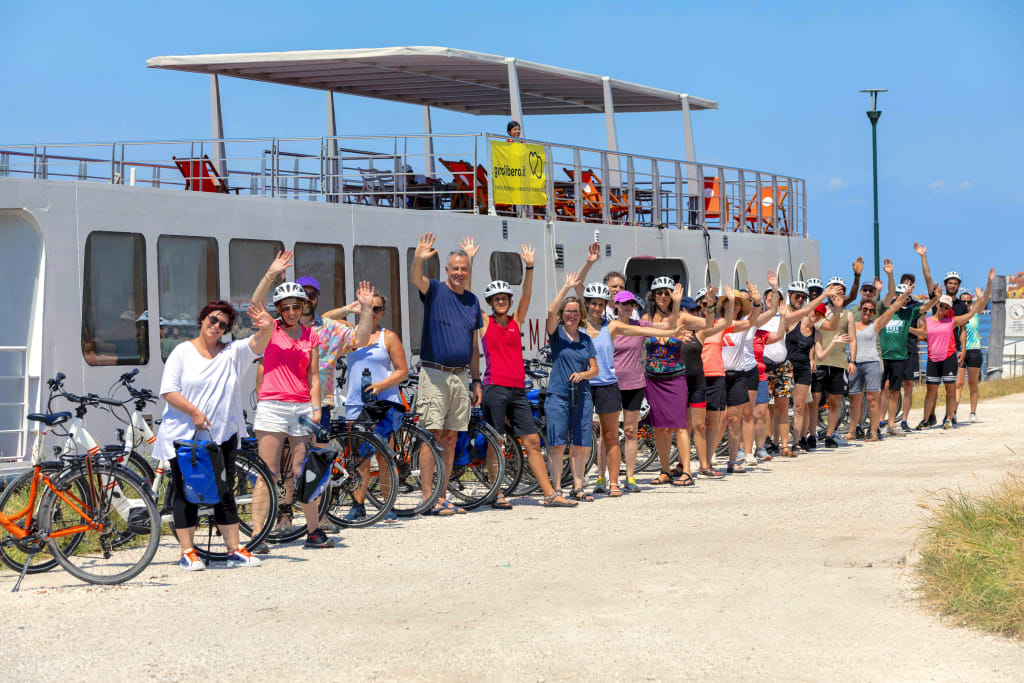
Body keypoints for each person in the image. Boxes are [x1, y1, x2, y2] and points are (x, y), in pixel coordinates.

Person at [155, 300, 274, 570]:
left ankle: (234, 549)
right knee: (186, 492)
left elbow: (258, 343)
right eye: (212, 319)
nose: (216, 326)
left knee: (224, 490)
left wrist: (267, 327)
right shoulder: (182, 352)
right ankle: (188, 551)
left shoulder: (233, 353)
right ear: (203, 319)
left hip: (222, 435)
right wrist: (194, 412)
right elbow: (169, 390)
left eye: (223, 324)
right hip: (185, 435)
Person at [478, 244, 575, 508]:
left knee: (532, 440)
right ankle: (497, 494)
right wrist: (473, 261)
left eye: (505, 298)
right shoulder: (485, 323)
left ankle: (549, 494)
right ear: (490, 302)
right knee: (496, 442)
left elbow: (528, 294)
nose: (502, 301)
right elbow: (469, 301)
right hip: (494, 387)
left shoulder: (515, 321)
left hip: (517, 389)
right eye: (497, 298)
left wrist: (529, 267)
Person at [250, 280, 336, 550]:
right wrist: (271, 274)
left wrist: (317, 407)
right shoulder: (270, 328)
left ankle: (313, 531)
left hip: (301, 407)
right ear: (278, 309)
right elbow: (254, 304)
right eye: (285, 307)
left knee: (303, 471)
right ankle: (257, 535)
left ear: (303, 307)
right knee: (270, 472)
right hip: (273, 405)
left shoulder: (311, 335)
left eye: (295, 307)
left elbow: (314, 376)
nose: (291, 311)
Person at [583, 282, 685, 494]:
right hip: (609, 383)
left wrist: (675, 306)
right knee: (606, 433)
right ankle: (601, 477)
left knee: (631, 431)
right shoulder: (608, 326)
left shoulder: (640, 325)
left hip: (634, 383)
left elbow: (666, 326)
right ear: (615, 305)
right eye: (623, 303)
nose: (628, 307)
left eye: (631, 303)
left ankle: (630, 476)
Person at [410, 233, 483, 515]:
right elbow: (417, 279)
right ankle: (428, 497)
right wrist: (418, 258)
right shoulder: (436, 291)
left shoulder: (473, 301)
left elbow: (473, 345)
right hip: (435, 374)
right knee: (433, 434)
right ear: (447, 270)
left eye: (464, 268)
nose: (460, 273)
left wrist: (476, 380)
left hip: (460, 376)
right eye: (455, 268)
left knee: (451, 437)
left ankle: (442, 496)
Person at [642, 277, 718, 485]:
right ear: (653, 295)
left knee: (680, 426)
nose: (663, 297)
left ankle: (687, 472)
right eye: (660, 293)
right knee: (659, 427)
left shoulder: (683, 317)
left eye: (667, 292)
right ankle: (665, 470)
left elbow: (708, 324)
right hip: (653, 379)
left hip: (676, 377)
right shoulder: (647, 317)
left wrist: (710, 305)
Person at [341, 290, 409, 521]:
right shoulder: (350, 335)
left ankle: (387, 505)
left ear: (383, 312)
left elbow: (402, 371)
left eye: (377, 308)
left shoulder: (388, 337)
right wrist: (349, 309)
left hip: (383, 403)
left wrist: (381, 385)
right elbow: (325, 319)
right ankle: (358, 505)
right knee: (359, 458)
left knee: (384, 456)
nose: (373, 312)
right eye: (369, 308)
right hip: (356, 403)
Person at [914, 270, 993, 430]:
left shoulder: (952, 320)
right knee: (931, 390)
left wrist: (979, 299)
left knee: (952, 389)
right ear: (937, 305)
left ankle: (949, 418)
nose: (943, 308)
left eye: (946, 306)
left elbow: (971, 314)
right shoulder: (929, 321)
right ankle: (926, 419)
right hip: (933, 358)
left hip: (950, 356)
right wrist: (906, 329)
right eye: (941, 306)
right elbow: (920, 330)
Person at [545, 271, 598, 501]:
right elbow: (549, 312)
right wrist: (566, 287)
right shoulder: (557, 334)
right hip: (558, 395)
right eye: (568, 312)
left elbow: (595, 369)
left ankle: (578, 486)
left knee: (580, 443)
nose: (572, 316)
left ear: (580, 315)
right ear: (563, 314)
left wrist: (583, 374)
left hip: (582, 395)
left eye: (575, 312)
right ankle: (556, 488)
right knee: (557, 444)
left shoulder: (586, 339)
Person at [762, 281, 830, 457]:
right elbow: (803, 312)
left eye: (819, 316)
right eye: (815, 313)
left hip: (802, 370)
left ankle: (796, 441)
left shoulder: (817, 332)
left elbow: (818, 353)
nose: (816, 317)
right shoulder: (792, 322)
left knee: (799, 407)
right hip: (786, 366)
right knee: (775, 406)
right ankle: (774, 441)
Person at [677, 288, 732, 478]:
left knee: (699, 426)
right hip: (678, 382)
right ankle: (681, 464)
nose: (693, 314)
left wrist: (712, 305)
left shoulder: (699, 333)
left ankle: (704, 465)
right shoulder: (670, 332)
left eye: (694, 310)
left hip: (697, 383)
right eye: (689, 311)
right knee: (682, 427)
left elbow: (725, 322)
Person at [847, 286, 912, 441]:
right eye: (865, 309)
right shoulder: (852, 325)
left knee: (872, 399)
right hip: (855, 363)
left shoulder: (875, 325)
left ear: (874, 312)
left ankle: (874, 432)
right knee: (854, 399)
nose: (867, 312)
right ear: (860, 310)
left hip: (872, 364)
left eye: (870, 310)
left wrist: (905, 295)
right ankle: (851, 431)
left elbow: (893, 308)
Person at [879, 282, 935, 438]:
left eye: (906, 298)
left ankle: (891, 425)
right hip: (883, 356)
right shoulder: (886, 311)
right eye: (900, 296)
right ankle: (877, 422)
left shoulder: (909, 313)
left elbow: (925, 308)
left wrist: (935, 297)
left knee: (895, 392)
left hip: (899, 357)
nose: (903, 300)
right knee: (880, 390)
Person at [813, 284, 857, 448]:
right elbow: (813, 334)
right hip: (819, 360)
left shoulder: (849, 315)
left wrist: (852, 360)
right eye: (834, 290)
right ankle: (811, 433)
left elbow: (852, 339)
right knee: (815, 400)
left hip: (838, 361)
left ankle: (830, 435)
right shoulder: (820, 310)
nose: (837, 294)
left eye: (841, 291)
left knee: (835, 400)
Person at [955, 288, 985, 423]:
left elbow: (984, 299)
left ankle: (973, 413)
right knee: (958, 384)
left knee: (973, 384)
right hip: (960, 351)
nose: (966, 304)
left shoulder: (975, 314)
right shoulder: (955, 315)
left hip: (974, 351)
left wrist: (989, 283)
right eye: (964, 301)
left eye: (969, 301)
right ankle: (953, 412)